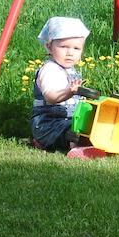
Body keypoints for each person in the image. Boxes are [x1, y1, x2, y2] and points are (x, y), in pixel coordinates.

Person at [30, 16, 98, 155]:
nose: (70, 53)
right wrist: (68, 92)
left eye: (76, 48)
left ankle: (99, 145)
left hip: (68, 120)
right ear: (49, 46)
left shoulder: (71, 71)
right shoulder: (50, 70)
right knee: (75, 128)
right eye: (64, 47)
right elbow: (50, 97)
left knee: (92, 124)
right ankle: (75, 149)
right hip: (48, 123)